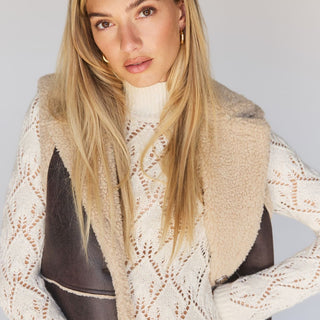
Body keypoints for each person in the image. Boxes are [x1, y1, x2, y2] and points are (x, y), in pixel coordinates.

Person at [0, 0, 319, 319]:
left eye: (145, 12)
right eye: (105, 23)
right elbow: (14, 280)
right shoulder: (58, 119)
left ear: (181, 13)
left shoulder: (238, 134)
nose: (128, 43)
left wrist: (230, 305)